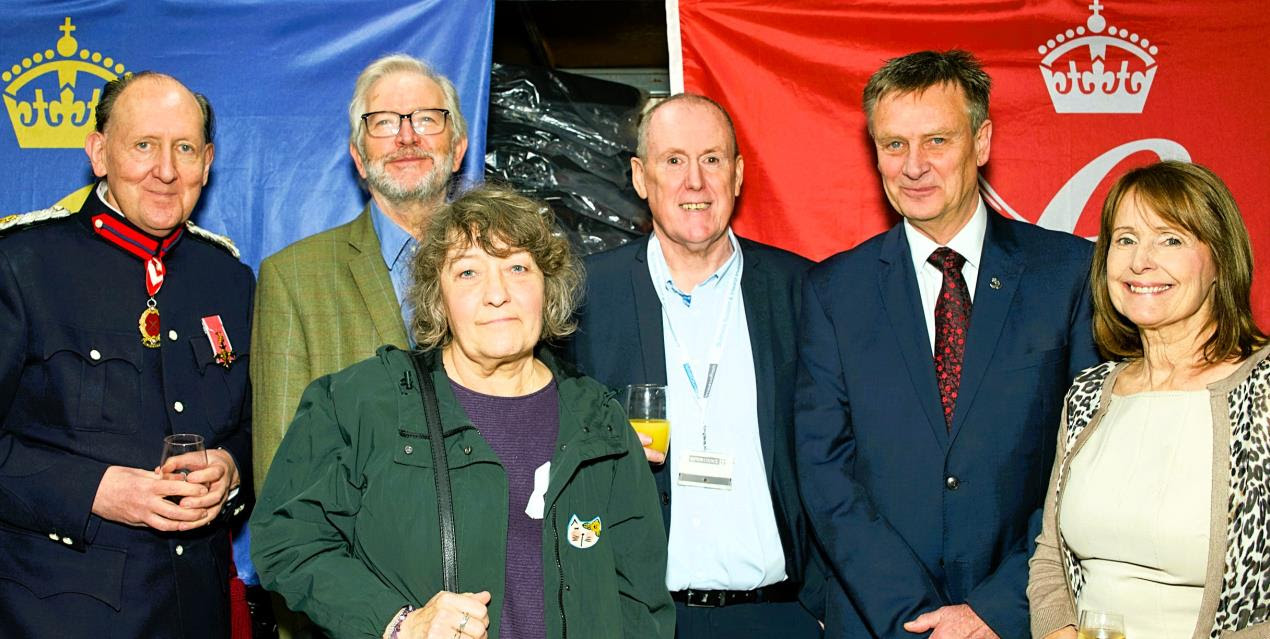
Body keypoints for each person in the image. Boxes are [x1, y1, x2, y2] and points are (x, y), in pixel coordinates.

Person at [251, 185, 674, 639]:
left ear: (547, 287)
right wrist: (397, 623)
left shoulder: (600, 422)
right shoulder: (360, 403)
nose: (498, 294)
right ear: (439, 298)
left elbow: (641, 602)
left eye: (517, 267)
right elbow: (286, 539)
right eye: (468, 272)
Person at [795, 50, 1100, 638]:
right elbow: (824, 472)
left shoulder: (1066, 274)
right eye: (893, 145)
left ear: (981, 141)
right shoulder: (834, 290)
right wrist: (917, 616)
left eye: (936, 141)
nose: (913, 167)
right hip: (880, 620)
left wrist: (997, 608)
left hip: (1023, 615)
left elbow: (1087, 463)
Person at [0, 72, 251, 637]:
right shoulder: (21, 267)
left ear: (207, 163)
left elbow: (256, 427)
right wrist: (94, 491)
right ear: (98, 152)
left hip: (197, 613)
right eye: (144, 145)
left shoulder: (229, 279)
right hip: (55, 617)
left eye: (184, 148)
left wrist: (232, 470)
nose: (166, 170)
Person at [565, 93, 824, 638]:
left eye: (712, 159)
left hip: (784, 616)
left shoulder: (804, 290)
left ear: (737, 175)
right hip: (641, 619)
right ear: (640, 177)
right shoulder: (585, 296)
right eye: (673, 161)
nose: (695, 182)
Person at [1027, 161, 1270, 638]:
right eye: (1125, 239)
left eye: (1171, 239)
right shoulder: (1089, 394)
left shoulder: (1262, 391)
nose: (1141, 261)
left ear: (1221, 259)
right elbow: (1050, 556)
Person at [251, 53, 469, 485]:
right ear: (358, 156)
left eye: (426, 119)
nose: (407, 136)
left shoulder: (510, 270)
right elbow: (283, 480)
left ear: (458, 149)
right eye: (384, 122)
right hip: (354, 551)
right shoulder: (293, 278)